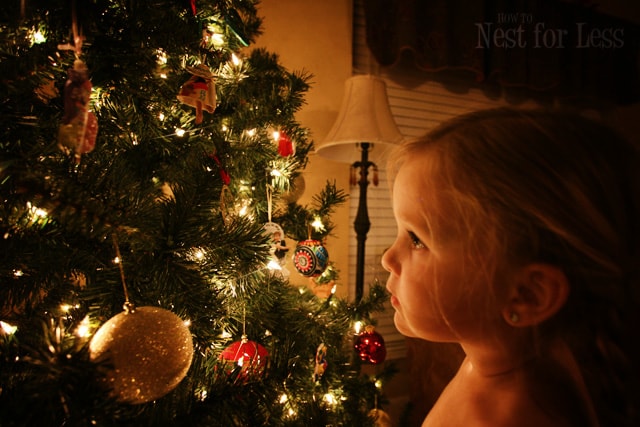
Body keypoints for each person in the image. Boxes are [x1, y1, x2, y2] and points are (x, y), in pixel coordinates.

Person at [381, 108, 640, 427]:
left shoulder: (514, 416)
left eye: (416, 239)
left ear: (528, 294)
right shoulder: (492, 365)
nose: (388, 258)